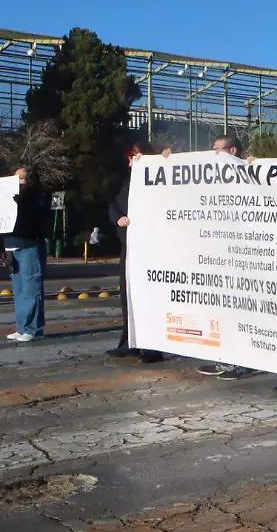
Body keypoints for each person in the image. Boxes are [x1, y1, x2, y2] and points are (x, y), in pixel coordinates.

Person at [166, 136, 261, 382]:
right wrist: (165, 162)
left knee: (244, 314)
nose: (213, 154)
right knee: (222, 315)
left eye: (218, 150)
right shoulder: (212, 177)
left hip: (244, 258)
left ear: (232, 150)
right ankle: (224, 359)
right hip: (219, 258)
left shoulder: (250, 171)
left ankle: (244, 362)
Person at [107, 140, 163, 363]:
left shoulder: (159, 179)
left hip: (150, 249)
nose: (133, 161)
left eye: (137, 156)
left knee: (150, 297)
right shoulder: (128, 182)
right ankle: (129, 341)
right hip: (129, 248)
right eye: (131, 157)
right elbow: (113, 204)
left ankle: (152, 348)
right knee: (127, 296)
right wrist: (117, 217)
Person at [4, 168, 50, 343]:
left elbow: (37, 216)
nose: (18, 182)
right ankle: (22, 326)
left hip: (29, 244)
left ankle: (33, 329)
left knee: (32, 287)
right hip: (12, 246)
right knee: (20, 290)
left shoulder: (37, 196)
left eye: (21, 178)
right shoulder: (9, 197)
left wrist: (23, 199)